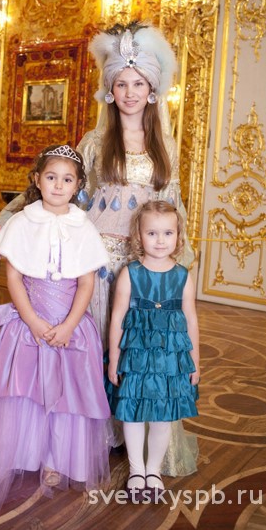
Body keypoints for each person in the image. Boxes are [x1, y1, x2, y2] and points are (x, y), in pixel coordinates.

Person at [0, 20, 198, 476]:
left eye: (138, 83)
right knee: (98, 348)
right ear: (110, 90)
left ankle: (138, 433)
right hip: (97, 265)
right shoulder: (94, 142)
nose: (129, 92)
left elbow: (173, 209)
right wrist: (9, 220)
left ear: (152, 90)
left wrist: (175, 263)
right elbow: (60, 193)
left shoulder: (165, 147)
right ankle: (97, 434)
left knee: (137, 351)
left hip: (143, 267)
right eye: (121, 83)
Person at [0, 144, 112, 511]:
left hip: (70, 327)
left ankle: (57, 459)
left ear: (78, 185)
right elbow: (14, 278)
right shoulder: (21, 222)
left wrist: (69, 325)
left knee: (66, 394)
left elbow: (86, 284)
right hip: (29, 322)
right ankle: (21, 452)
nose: (58, 185)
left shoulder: (84, 226)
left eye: (67, 180)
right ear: (37, 180)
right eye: (51, 177)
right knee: (22, 391)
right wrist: (32, 320)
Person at [106, 200, 200, 498]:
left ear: (178, 236)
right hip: (135, 358)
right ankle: (136, 470)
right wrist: (114, 360)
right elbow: (117, 319)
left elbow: (191, 320)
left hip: (170, 362)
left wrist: (195, 362)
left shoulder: (183, 276)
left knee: (162, 417)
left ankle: (153, 470)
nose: (160, 241)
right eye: (152, 233)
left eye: (168, 233)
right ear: (139, 235)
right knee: (132, 414)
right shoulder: (130, 273)